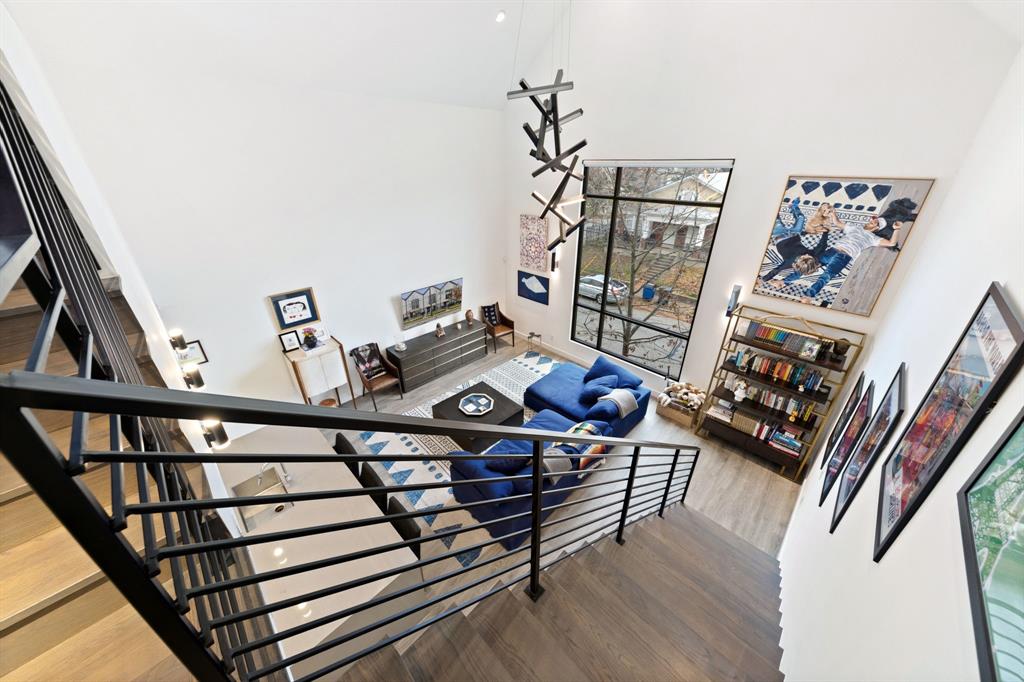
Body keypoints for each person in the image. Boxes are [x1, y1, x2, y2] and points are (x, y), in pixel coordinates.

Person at [800, 216, 901, 302]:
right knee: (810, 262)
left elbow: (891, 243)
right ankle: (790, 277)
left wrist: (896, 229)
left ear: (877, 227)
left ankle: (808, 295)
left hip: (844, 256)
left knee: (826, 275)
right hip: (833, 250)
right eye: (872, 218)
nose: (871, 219)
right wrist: (833, 213)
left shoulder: (873, 238)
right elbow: (837, 223)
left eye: (875, 220)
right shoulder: (855, 228)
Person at [759, 231, 830, 288]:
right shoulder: (814, 256)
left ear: (797, 263)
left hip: (781, 238)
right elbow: (822, 245)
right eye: (808, 256)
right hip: (793, 236)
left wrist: (763, 280)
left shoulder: (789, 262)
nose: (806, 254)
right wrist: (825, 232)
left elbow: (776, 270)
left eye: (804, 256)